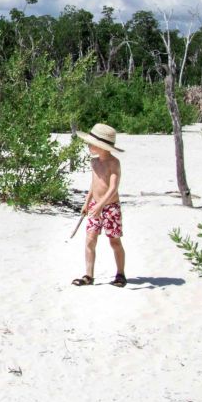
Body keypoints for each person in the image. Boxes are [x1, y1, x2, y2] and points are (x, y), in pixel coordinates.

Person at [71, 123, 126, 287]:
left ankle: (120, 274)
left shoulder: (114, 163)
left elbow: (113, 187)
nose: (88, 145)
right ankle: (89, 275)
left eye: (91, 143)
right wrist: (87, 203)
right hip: (95, 206)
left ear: (102, 146)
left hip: (110, 208)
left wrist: (101, 205)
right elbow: (94, 185)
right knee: (90, 240)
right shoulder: (94, 162)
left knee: (114, 241)